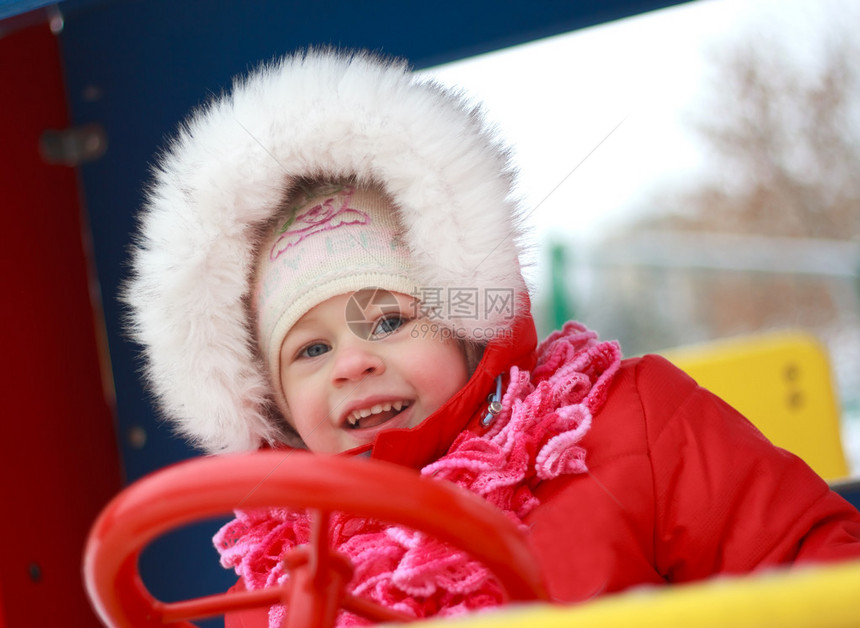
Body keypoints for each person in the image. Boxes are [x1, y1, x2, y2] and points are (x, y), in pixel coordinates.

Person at [124, 49, 860, 627]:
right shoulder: (281, 572)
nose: (353, 361)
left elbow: (816, 567)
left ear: (466, 329)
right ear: (274, 404)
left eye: (389, 321)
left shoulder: (625, 429)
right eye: (309, 351)